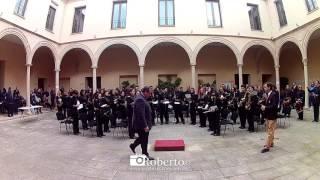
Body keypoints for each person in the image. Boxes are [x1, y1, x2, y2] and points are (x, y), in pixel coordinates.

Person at [129, 87, 154, 160]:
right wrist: (145, 126)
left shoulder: (141, 98)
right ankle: (145, 154)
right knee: (144, 139)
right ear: (145, 92)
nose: (150, 95)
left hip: (142, 123)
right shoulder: (140, 99)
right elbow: (141, 114)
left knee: (142, 138)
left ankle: (133, 146)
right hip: (141, 124)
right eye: (149, 93)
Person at [260, 83, 279, 153]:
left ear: (269, 87)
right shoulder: (268, 94)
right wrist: (263, 105)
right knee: (270, 130)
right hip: (268, 115)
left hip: (272, 115)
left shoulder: (273, 94)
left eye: (265, 87)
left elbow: (274, 106)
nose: (264, 88)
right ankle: (271, 143)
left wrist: (265, 107)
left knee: (270, 131)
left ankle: (267, 146)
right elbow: (269, 104)